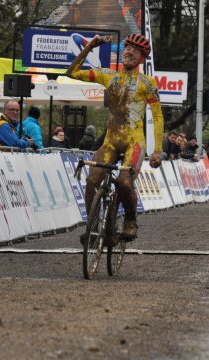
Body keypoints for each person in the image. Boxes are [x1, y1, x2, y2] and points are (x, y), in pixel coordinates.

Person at [66, 33, 163, 239]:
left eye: (135, 51)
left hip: (134, 143)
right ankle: (92, 227)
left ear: (141, 58)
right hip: (110, 142)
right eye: (127, 48)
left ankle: (130, 220)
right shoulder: (108, 75)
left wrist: (157, 150)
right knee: (92, 180)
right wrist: (89, 46)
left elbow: (157, 116)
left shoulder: (148, 83)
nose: (129, 52)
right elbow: (71, 72)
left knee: (124, 183)